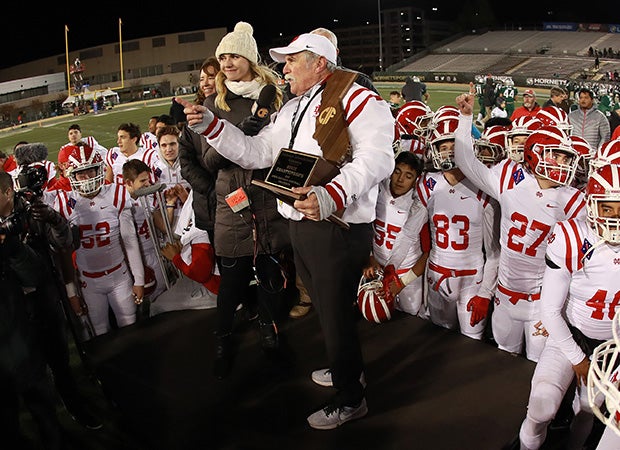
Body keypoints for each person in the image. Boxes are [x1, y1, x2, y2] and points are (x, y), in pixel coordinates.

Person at [176, 29, 395, 429]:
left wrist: (332, 194)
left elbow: (378, 159)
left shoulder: (359, 98)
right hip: (301, 221)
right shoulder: (296, 106)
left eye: (293, 60)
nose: (284, 66)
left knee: (333, 311)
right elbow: (257, 151)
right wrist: (212, 126)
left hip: (334, 224)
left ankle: (351, 398)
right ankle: (348, 368)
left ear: (320, 64)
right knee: (330, 314)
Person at [191, 22, 291, 380]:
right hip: (230, 200)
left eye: (234, 55)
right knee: (231, 282)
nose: (227, 63)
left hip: (268, 195)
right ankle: (222, 337)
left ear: (249, 57)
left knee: (269, 274)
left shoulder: (275, 96)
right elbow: (209, 162)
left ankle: (268, 329)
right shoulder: (211, 103)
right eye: (223, 57)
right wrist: (237, 136)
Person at [454, 92, 586, 362]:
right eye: (557, 157)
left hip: (542, 302)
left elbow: (579, 265)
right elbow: (466, 162)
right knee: (503, 363)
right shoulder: (509, 179)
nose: (564, 164)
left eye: (564, 158)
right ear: (536, 156)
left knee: (537, 369)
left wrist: (559, 311)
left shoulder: (573, 200)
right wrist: (466, 118)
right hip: (504, 296)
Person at [517, 163, 620, 450]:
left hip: (613, 347)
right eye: (608, 209)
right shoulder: (573, 237)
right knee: (542, 404)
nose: (616, 218)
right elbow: (549, 310)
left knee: (590, 408)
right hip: (571, 334)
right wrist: (578, 358)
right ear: (592, 206)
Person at [11, 144, 103, 430]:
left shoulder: (29, 209)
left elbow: (64, 244)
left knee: (58, 357)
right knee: (26, 368)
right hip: (11, 306)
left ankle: (71, 402)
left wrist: (51, 219)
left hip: (43, 296)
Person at [417, 115, 501, 340]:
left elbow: (494, 252)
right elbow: (410, 233)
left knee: (472, 342)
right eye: (443, 147)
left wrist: (485, 293)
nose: (448, 152)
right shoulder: (428, 184)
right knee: (439, 340)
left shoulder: (484, 189)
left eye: (454, 146)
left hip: (472, 278)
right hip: (437, 274)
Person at [0, 171, 66, 449]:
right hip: (12, 344)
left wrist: (12, 246)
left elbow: (36, 274)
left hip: (20, 340)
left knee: (46, 420)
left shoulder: (12, 230)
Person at [58, 143, 145, 336]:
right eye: (81, 174)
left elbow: (130, 241)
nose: (87, 178)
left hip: (119, 276)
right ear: (71, 176)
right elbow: (63, 253)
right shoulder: (64, 202)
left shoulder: (116, 194)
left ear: (99, 169)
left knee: (130, 326)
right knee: (99, 332)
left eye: (91, 171)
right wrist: (72, 293)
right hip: (88, 281)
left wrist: (138, 279)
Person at [363, 151, 429, 317]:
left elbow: (424, 248)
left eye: (408, 175)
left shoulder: (418, 205)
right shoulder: (376, 191)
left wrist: (402, 281)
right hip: (376, 268)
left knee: (409, 316)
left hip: (406, 272)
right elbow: (363, 227)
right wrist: (369, 257)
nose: (400, 180)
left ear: (416, 180)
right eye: (397, 172)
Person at [156, 189, 220, 315]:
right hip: (223, 280)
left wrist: (175, 258)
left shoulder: (201, 225)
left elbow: (201, 274)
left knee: (158, 307)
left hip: (215, 287)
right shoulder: (205, 195)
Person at [178, 56, 220, 244]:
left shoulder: (237, 112)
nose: (205, 83)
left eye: (211, 77)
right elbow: (186, 164)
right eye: (202, 79)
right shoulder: (192, 120)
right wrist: (212, 190)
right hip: (208, 205)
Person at [123, 159, 170, 305]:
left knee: (162, 292)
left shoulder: (148, 197)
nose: (147, 184)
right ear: (129, 182)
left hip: (154, 253)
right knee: (138, 301)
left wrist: (171, 204)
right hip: (135, 259)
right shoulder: (121, 203)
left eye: (147, 180)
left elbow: (162, 226)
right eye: (142, 180)